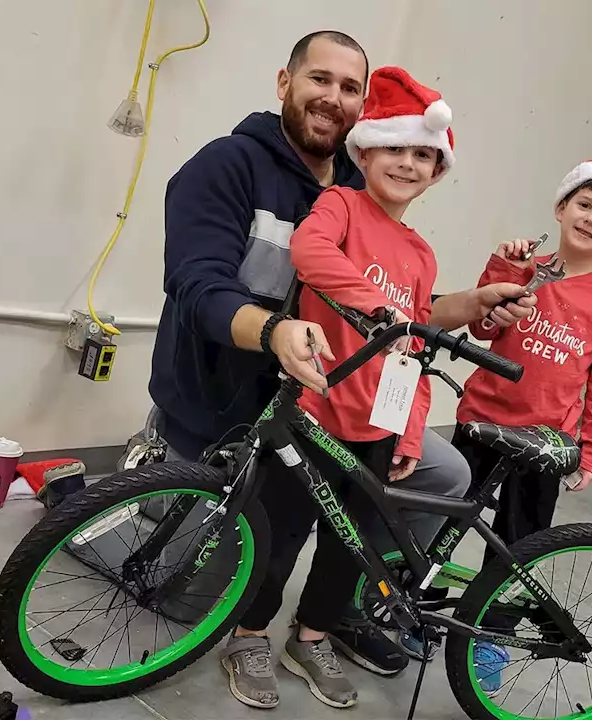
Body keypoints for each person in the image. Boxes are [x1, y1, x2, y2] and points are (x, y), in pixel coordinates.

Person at [146, 31, 537, 709]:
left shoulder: (395, 223)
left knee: (357, 532)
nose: (333, 97)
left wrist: (466, 311)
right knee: (195, 590)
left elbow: (410, 331)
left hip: (366, 416)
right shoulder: (240, 169)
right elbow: (209, 281)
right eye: (318, 79)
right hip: (230, 409)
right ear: (283, 82)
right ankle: (228, 602)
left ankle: (327, 623)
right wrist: (285, 327)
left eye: (350, 87)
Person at [223, 66, 455, 710]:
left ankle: (312, 637)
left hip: (379, 428)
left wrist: (411, 427)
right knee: (278, 534)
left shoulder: (422, 253)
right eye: (396, 148)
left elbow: (415, 346)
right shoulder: (341, 206)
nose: (408, 164)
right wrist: (374, 303)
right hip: (314, 414)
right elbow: (310, 252)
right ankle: (248, 636)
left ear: (436, 172)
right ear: (365, 149)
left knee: (348, 548)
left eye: (423, 155)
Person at [451, 160, 592, 694]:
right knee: (438, 522)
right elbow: (480, 327)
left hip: (542, 442)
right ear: (561, 208)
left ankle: (492, 637)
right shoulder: (524, 266)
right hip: (480, 420)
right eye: (584, 204)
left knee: (519, 546)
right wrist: (501, 264)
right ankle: (412, 606)